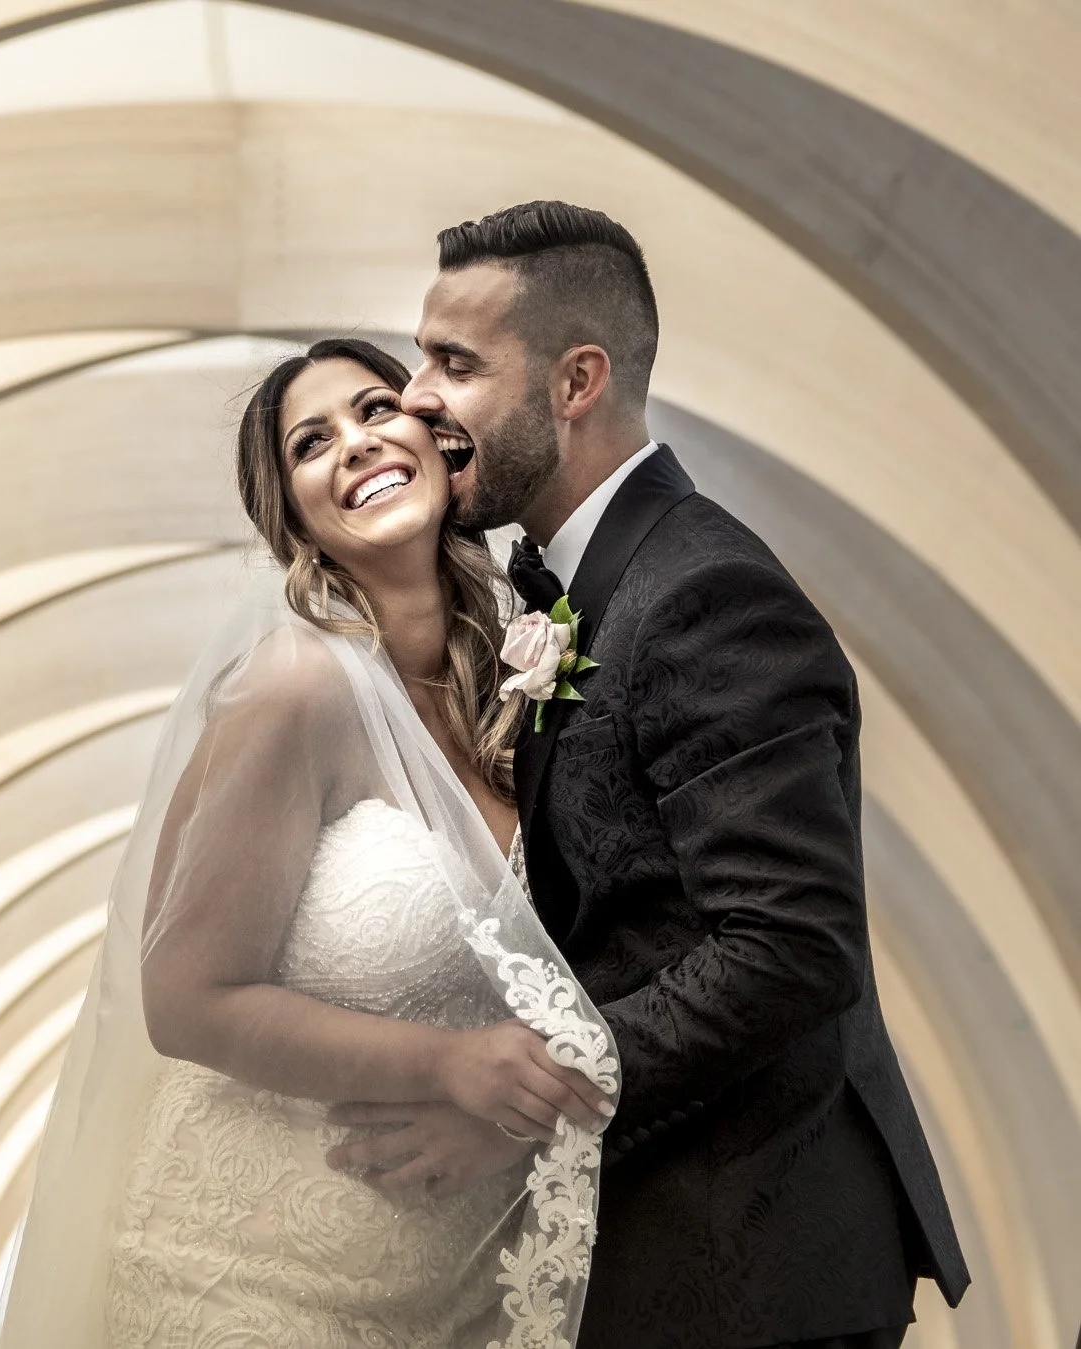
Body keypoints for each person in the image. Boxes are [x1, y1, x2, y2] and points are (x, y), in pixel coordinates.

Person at [327, 200, 971, 1347]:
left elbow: (786, 944)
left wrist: (522, 1110)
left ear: (575, 380)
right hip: (662, 1259)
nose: (416, 395)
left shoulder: (704, 596)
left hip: (751, 1272)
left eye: (455, 362)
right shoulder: (571, 592)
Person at [0, 337, 618, 1348]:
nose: (356, 444)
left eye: (377, 409)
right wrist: (448, 1065)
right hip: (246, 1283)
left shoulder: (522, 691)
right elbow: (184, 998)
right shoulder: (295, 688)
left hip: (454, 1298)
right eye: (311, 441)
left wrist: (509, 1112)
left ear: (434, 435)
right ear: (291, 518)